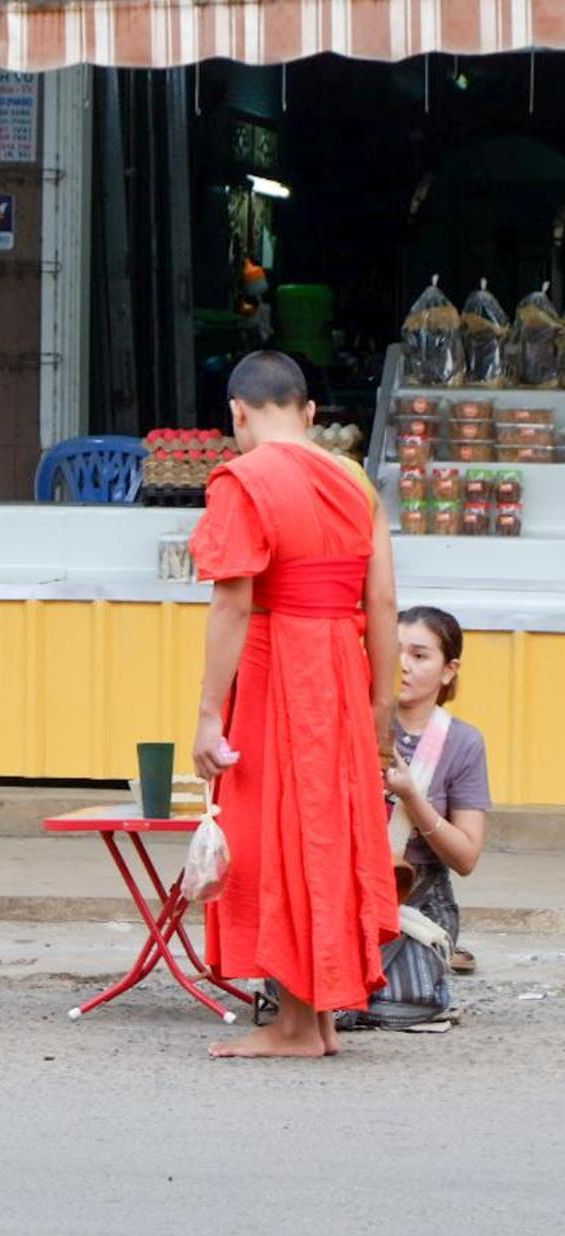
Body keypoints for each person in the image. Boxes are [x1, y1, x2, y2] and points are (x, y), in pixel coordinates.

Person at [189, 349, 400, 1060]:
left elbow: (232, 600)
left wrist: (208, 715)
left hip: (280, 667)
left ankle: (296, 1025)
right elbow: (385, 604)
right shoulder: (354, 480)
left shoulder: (243, 479)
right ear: (309, 415)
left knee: (278, 834)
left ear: (237, 413)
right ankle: (321, 1012)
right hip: (341, 664)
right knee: (325, 832)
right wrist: (378, 714)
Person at [386, 606, 491, 973]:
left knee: (392, 988)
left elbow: (466, 859)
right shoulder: (349, 724)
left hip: (419, 902)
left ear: (449, 670)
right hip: (345, 891)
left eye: (418, 655)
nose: (403, 664)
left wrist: (413, 797)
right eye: (393, 650)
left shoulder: (462, 743)